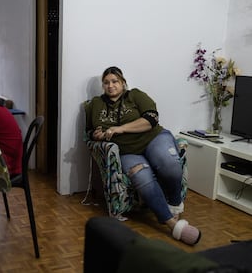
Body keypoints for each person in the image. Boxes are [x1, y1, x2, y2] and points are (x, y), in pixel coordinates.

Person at [85, 66, 201, 245]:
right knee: (142, 177)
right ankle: (172, 224)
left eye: (115, 81)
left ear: (123, 83)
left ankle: (176, 203)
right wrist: (97, 135)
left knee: (168, 163)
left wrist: (120, 128)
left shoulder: (135, 95)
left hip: (153, 138)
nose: (110, 86)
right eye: (106, 82)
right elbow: (90, 131)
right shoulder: (96, 104)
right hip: (127, 151)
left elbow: (151, 119)